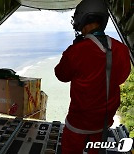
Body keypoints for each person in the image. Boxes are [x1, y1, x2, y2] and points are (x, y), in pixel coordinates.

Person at [54, 0, 131, 153]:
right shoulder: (121, 49)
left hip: (79, 121)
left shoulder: (76, 51)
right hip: (104, 121)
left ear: (81, 19)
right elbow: (121, 78)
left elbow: (61, 75)